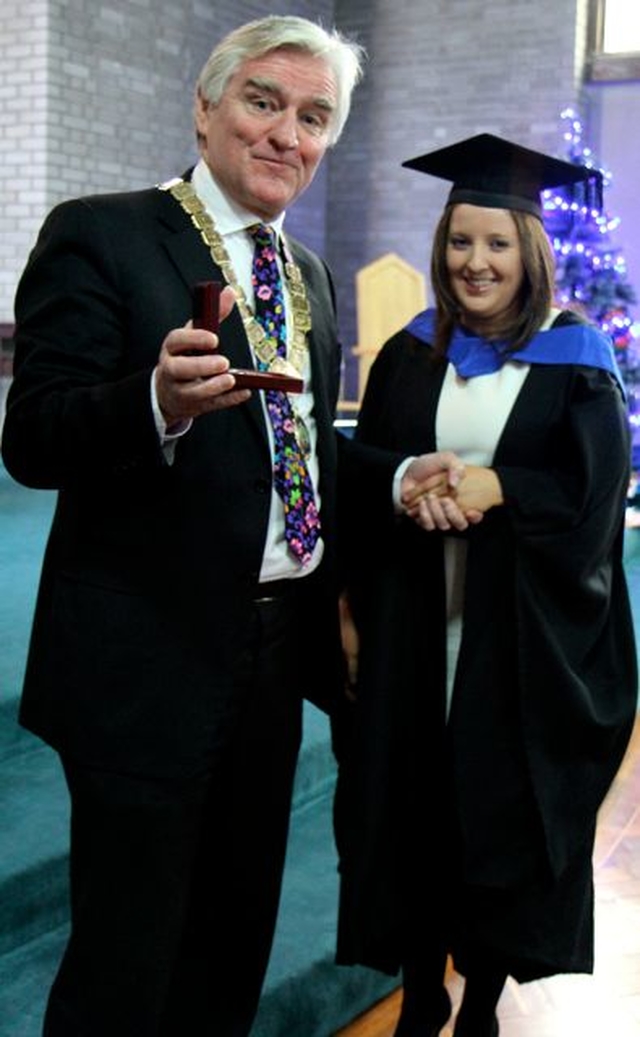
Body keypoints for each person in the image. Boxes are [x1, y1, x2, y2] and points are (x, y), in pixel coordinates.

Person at [1, 15, 474, 1037]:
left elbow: (293, 448)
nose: (285, 134)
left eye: (314, 118)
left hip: (272, 656)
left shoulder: (303, 274)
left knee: (229, 951)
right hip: (145, 655)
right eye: (264, 101)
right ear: (207, 107)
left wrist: (393, 479)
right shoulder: (107, 232)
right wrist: (155, 402)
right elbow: (32, 435)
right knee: (125, 970)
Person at [333, 133, 638, 1037]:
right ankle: (421, 990)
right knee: (417, 810)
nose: (477, 262)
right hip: (416, 623)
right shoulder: (411, 351)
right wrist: (408, 487)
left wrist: (503, 486)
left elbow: (593, 501)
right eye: (462, 242)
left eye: (498, 243)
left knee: (495, 817)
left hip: (516, 636)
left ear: (530, 252)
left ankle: (485, 1003)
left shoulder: (577, 358)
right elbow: (364, 467)